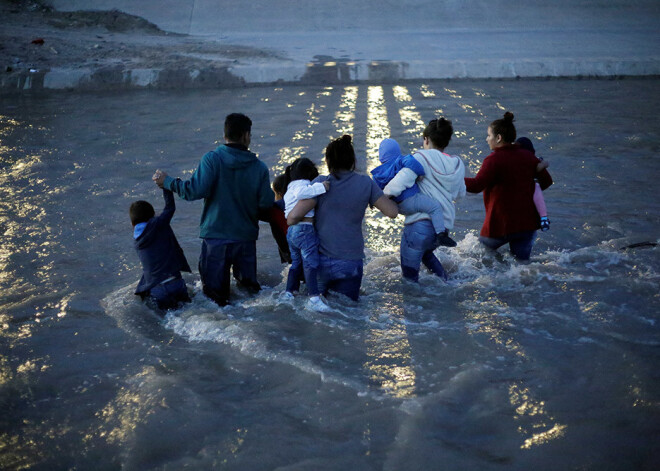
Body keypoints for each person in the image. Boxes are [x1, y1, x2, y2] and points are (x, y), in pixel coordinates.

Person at [153, 113, 274, 306]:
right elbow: (266, 204)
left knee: (214, 300)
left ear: (225, 134)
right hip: (246, 239)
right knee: (251, 295)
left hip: (216, 239)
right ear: (245, 136)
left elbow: (193, 191)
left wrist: (167, 182)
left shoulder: (212, 160)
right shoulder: (259, 168)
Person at [287, 135, 398, 301]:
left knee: (320, 314)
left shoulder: (320, 184)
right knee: (349, 314)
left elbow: (293, 217)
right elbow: (392, 212)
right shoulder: (366, 184)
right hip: (350, 263)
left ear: (329, 161)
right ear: (352, 160)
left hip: (321, 262)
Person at [383, 118, 466, 282]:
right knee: (426, 254)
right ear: (446, 141)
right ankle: (445, 284)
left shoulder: (420, 158)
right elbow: (460, 193)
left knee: (409, 278)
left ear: (426, 139)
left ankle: (414, 305)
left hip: (419, 226)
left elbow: (401, 181)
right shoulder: (457, 164)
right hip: (443, 226)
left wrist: (382, 196)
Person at [465, 112, 553, 260]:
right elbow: (546, 181)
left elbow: (476, 186)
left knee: (476, 257)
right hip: (527, 225)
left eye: (489, 135)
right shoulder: (528, 156)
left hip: (500, 225)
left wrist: (453, 180)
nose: (487, 139)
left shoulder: (493, 160)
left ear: (498, 138)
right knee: (521, 266)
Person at [371, 138, 456, 247]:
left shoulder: (377, 174)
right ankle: (441, 235)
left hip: (398, 207)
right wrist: (420, 174)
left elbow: (375, 192)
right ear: (397, 151)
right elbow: (415, 165)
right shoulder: (401, 160)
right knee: (435, 207)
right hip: (411, 200)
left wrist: (372, 204)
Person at [281, 158, 332, 312]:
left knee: (296, 263)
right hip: (304, 228)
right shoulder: (302, 185)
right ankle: (314, 298)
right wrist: (321, 187)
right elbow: (302, 193)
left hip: (292, 231)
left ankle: (290, 292)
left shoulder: (290, 187)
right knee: (311, 263)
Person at [130, 188, 191, 313]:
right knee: (188, 310)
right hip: (176, 283)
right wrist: (165, 187)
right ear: (152, 216)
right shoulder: (158, 224)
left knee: (170, 317)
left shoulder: (137, 241)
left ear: (132, 223)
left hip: (157, 290)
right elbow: (170, 208)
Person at [516, 137, 551, 231]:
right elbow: (547, 181)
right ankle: (543, 218)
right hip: (530, 200)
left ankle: (543, 218)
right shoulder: (533, 161)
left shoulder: (512, 160)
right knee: (536, 188)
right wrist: (543, 164)